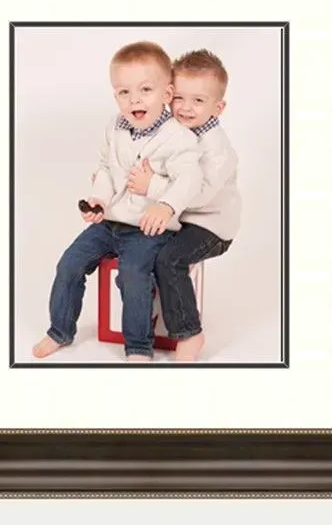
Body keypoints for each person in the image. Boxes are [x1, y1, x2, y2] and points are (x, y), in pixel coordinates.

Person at [32, 41, 202, 362]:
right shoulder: (116, 127)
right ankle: (60, 330)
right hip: (111, 221)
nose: (134, 99)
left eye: (145, 90)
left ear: (167, 95)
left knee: (132, 275)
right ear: (115, 96)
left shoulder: (179, 137)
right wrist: (99, 200)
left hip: (148, 227)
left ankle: (138, 346)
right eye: (124, 92)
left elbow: (189, 182)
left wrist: (163, 202)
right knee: (69, 263)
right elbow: (107, 169)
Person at [126, 49, 241, 361]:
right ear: (168, 95)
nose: (186, 108)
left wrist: (151, 185)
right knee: (135, 250)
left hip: (210, 224)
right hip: (179, 218)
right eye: (180, 98)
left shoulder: (217, 148)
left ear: (218, 107)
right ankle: (142, 320)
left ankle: (190, 332)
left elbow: (198, 194)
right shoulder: (170, 133)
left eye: (199, 101)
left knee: (170, 259)